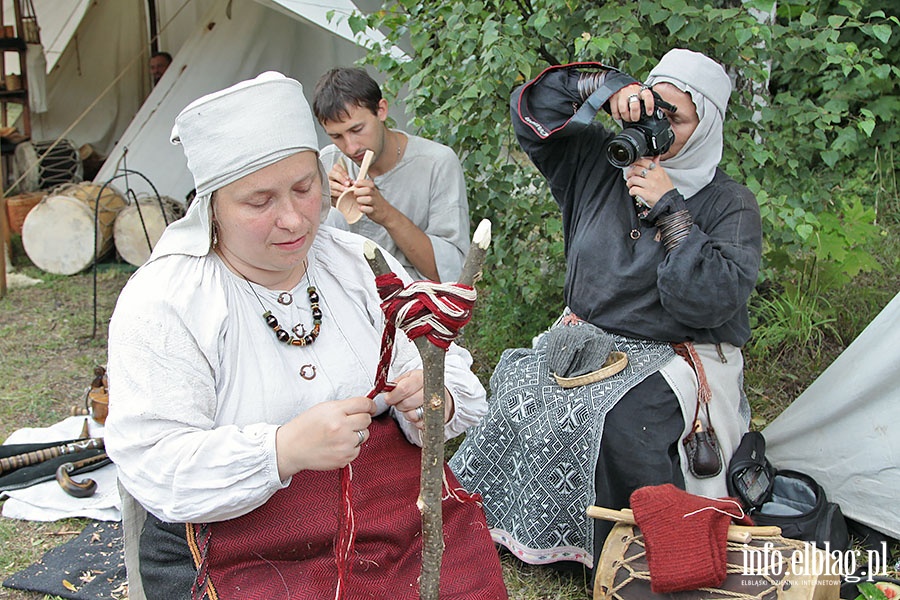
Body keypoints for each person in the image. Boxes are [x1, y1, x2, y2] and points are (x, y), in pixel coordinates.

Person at [104, 72, 507, 600]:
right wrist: (282, 449)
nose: (293, 219)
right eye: (259, 202)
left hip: (394, 516)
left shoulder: (359, 264)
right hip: (243, 539)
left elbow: (440, 358)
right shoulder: (167, 298)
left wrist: (438, 397)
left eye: (304, 188)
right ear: (213, 208)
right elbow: (154, 461)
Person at [450, 49, 762, 576]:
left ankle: (623, 556)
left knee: (622, 420)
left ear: (707, 127)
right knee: (520, 390)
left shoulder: (728, 201)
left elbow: (710, 299)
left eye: (677, 119)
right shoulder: (599, 159)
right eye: (654, 107)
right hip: (584, 336)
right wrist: (608, 86)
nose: (660, 125)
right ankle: (518, 529)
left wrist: (670, 209)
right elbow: (534, 110)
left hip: (674, 351)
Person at [313, 67, 470, 282]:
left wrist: (386, 214)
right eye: (337, 136)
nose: (350, 148)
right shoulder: (328, 161)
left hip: (415, 305)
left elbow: (448, 274)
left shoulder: (437, 164)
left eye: (357, 130)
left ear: (381, 110)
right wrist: (320, 204)